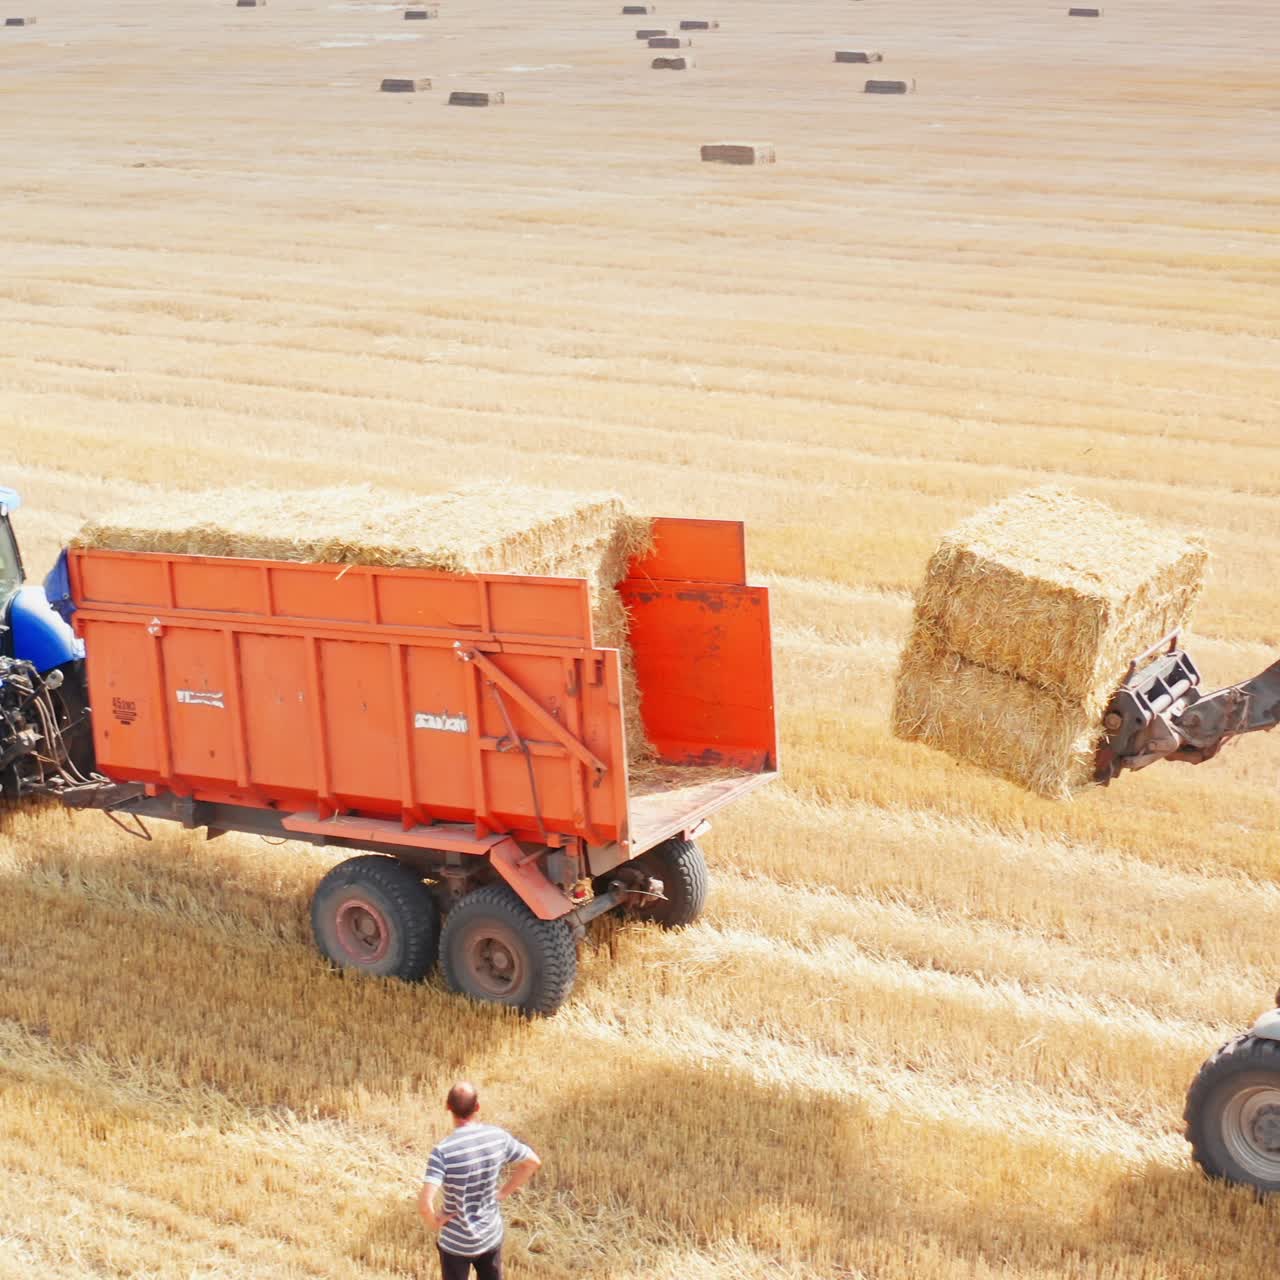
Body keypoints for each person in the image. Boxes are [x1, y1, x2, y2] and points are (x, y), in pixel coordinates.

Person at [418, 1081, 541, 1280]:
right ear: (477, 1107)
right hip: (489, 1235)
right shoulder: (497, 1137)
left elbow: (425, 1204)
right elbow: (532, 1162)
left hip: (455, 1244)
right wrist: (503, 1193)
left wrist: (434, 1222)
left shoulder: (442, 1151)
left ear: (447, 1107)